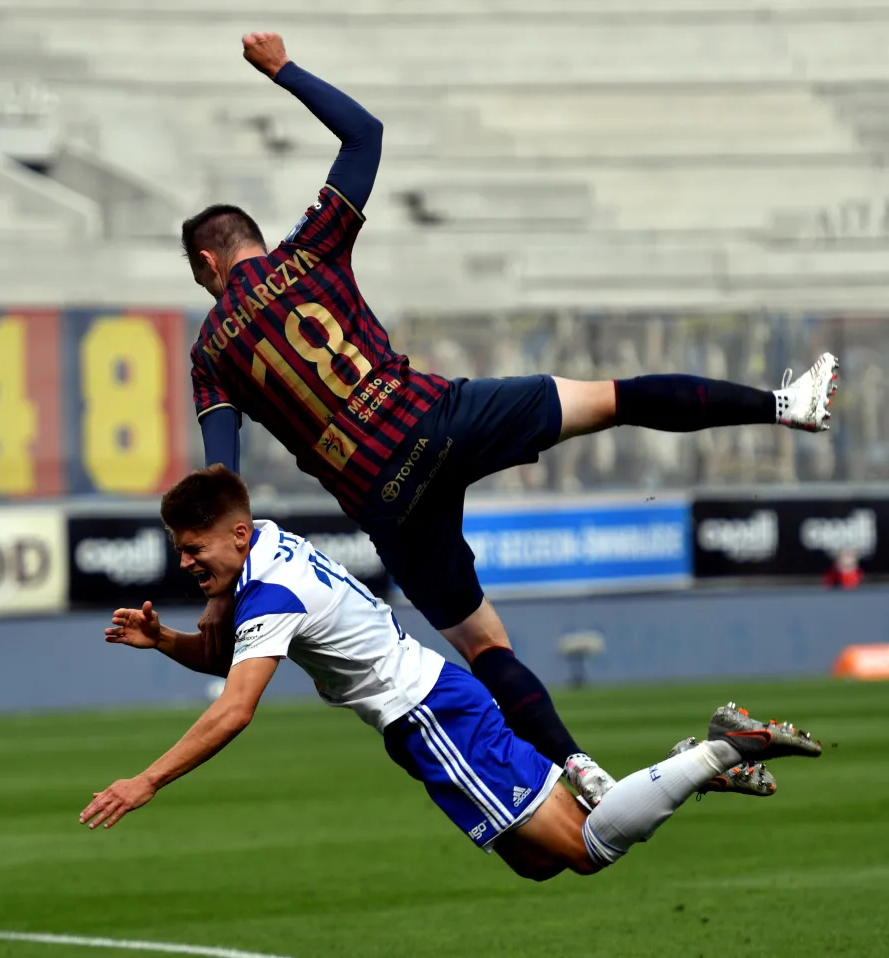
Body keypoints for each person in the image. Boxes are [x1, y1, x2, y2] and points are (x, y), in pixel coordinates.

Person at [182, 32, 840, 805]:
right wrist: (281, 68)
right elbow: (366, 134)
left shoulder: (210, 351)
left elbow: (222, 479)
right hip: (438, 420)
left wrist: (223, 590)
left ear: (206, 267)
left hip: (383, 500)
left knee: (482, 642)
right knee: (613, 398)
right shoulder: (310, 252)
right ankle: (784, 405)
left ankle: (578, 765)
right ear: (248, 243)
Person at [81, 467, 822, 881]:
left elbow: (233, 708)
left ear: (236, 535)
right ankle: (686, 769)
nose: (184, 564)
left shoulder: (270, 592)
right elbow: (229, 653)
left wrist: (144, 781)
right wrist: (169, 640)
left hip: (428, 713)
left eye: (192, 549)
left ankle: (719, 749)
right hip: (430, 703)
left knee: (585, 851)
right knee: (535, 865)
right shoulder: (268, 544)